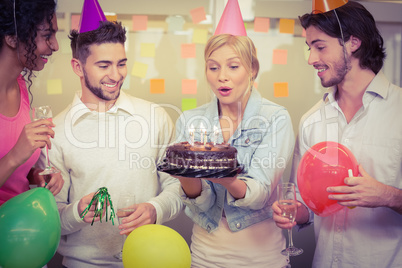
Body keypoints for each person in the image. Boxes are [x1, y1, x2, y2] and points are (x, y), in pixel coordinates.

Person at [273, 1, 402, 268]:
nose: (311, 59)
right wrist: (294, 212)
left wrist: (388, 196)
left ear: (353, 42)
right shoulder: (311, 121)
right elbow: (305, 202)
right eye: (310, 48)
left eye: (320, 47)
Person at [44, 19, 183, 267]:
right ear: (78, 66)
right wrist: (77, 212)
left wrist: (155, 209)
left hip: (146, 261)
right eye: (103, 65)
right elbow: (52, 218)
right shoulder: (57, 133)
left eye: (121, 64)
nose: (116, 75)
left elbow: (178, 187)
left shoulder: (155, 117)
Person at [174, 32, 295, 267]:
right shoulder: (190, 121)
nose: (222, 77)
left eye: (233, 66)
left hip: (263, 259)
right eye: (213, 67)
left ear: (252, 70)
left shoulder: (275, 118)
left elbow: (259, 193)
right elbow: (200, 203)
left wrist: (228, 180)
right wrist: (184, 177)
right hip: (204, 258)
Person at [0, 0, 63, 205]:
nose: (55, 45)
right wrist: (15, 155)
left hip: (21, 223)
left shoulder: (20, 86)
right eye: (47, 36)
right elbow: (12, 157)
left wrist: (35, 175)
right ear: (12, 38)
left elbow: (13, 178)